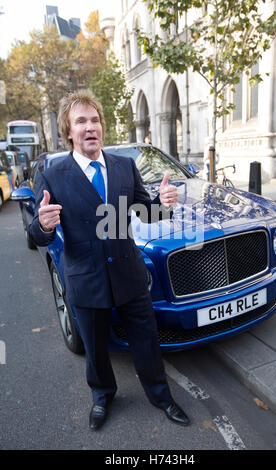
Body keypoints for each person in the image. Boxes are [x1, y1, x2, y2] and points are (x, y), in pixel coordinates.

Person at [29, 89, 190, 430]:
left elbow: (146, 212)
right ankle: (102, 395)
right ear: (68, 132)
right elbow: (36, 233)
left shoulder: (124, 167)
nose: (90, 127)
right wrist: (42, 226)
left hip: (130, 275)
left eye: (95, 120)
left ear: (103, 126)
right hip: (85, 279)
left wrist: (164, 202)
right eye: (80, 121)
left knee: (146, 341)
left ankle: (161, 396)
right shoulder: (54, 175)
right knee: (96, 349)